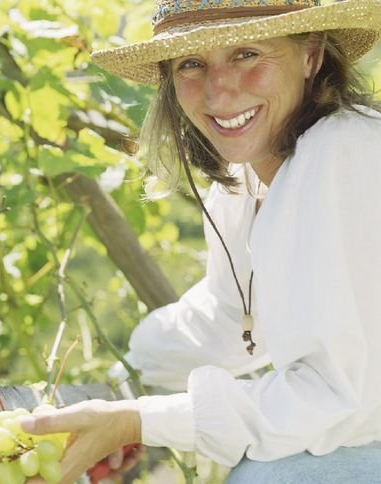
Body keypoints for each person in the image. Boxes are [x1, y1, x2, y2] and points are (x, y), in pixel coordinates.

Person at [20, 1, 381, 482]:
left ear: (311, 55)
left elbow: (343, 401)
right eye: (192, 64)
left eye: (247, 54)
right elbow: (228, 320)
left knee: (270, 476)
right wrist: (127, 389)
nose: (219, 89)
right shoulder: (243, 182)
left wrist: (141, 420)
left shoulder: (348, 154)